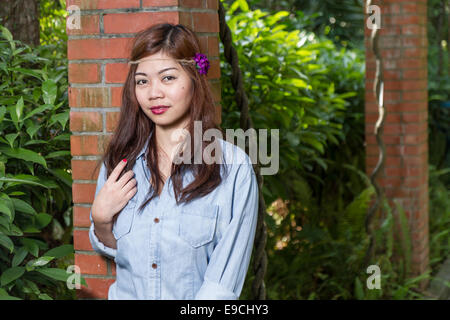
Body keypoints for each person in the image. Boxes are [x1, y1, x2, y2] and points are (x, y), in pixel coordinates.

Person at [88, 23, 259, 300]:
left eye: (167, 78)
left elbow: (222, 284)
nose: (154, 92)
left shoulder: (232, 168)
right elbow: (120, 253)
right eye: (142, 81)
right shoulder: (120, 163)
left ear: (194, 77)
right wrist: (101, 221)